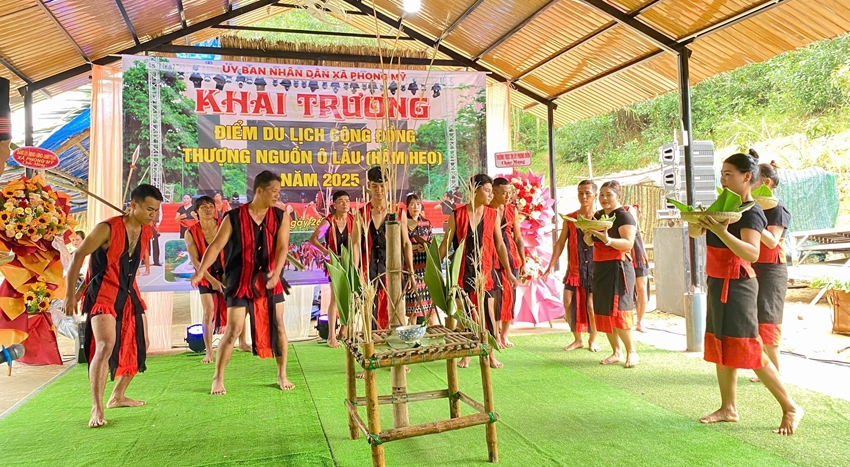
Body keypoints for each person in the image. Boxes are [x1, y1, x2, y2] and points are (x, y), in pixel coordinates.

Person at [690, 152, 801, 434]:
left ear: (747, 176)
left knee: (750, 348)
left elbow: (752, 253)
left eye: (729, 174)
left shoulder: (752, 212)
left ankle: (790, 407)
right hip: (717, 281)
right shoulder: (722, 206)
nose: (723, 179)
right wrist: (695, 220)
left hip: (739, 285)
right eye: (722, 174)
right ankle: (728, 408)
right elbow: (694, 234)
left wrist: (722, 232)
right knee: (721, 345)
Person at [63, 184, 163, 428]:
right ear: (133, 205)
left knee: (142, 343)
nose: (153, 215)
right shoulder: (106, 229)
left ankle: (117, 396)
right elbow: (78, 256)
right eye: (149, 209)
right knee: (106, 344)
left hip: (129, 293)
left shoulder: (146, 230)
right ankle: (96, 407)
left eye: (156, 210)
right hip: (103, 294)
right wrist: (70, 295)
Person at [191, 171, 294, 394]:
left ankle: (282, 374)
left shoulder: (281, 216)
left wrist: (277, 273)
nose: (277, 195)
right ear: (260, 190)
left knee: (279, 325)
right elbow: (216, 246)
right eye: (273, 191)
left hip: (270, 279)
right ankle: (218, 377)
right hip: (240, 281)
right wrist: (201, 272)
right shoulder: (234, 217)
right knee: (234, 329)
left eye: (278, 191)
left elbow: (282, 247)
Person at [439, 174, 517, 369]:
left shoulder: (492, 214)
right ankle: (467, 354)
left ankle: (490, 355)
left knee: (487, 316)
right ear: (475, 190)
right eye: (488, 191)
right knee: (466, 316)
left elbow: (500, 245)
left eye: (491, 191)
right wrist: (432, 268)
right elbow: (445, 244)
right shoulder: (457, 215)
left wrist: (509, 271)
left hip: (486, 273)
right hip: (461, 273)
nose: (491, 195)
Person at [352, 166, 415, 330]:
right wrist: (355, 271)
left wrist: (411, 272)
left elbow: (406, 243)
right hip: (369, 270)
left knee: (395, 310)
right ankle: (372, 342)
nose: (379, 190)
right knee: (370, 312)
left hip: (393, 269)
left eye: (382, 185)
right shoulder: (362, 213)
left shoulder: (398, 212)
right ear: (368, 186)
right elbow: (356, 244)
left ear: (388, 185)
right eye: (374, 186)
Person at [584, 180, 639, 368]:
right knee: (604, 311)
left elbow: (628, 243)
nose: (604, 198)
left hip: (619, 267)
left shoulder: (624, 216)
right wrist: (587, 232)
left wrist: (607, 239)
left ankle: (631, 351)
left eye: (609, 195)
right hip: (600, 267)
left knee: (619, 312)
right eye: (602, 195)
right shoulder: (598, 215)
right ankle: (616, 352)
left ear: (618, 196)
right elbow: (590, 242)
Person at [749, 151, 791, 384]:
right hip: (754, 266)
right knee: (756, 318)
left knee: (769, 319)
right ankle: (764, 367)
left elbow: (772, 241)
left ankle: (775, 371)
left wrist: (755, 221)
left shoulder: (777, 208)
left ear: (765, 183)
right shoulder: (754, 207)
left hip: (772, 269)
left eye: (752, 179)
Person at [544, 180, 599, 352]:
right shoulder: (570, 219)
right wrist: (550, 265)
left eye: (588, 193)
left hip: (595, 270)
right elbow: (560, 243)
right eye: (581, 193)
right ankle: (577, 339)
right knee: (567, 303)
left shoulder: (600, 219)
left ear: (595, 195)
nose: (584, 196)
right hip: (574, 269)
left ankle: (593, 340)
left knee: (591, 306)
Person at [309, 191, 354, 348]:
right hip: (334, 263)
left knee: (350, 297)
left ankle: (344, 329)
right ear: (334, 204)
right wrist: (326, 252)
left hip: (350, 263)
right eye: (340, 201)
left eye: (347, 200)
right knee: (335, 298)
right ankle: (331, 337)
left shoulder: (354, 220)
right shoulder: (329, 221)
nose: (344, 203)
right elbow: (313, 239)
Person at [185, 196, 227, 364]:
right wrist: (211, 280)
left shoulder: (224, 225)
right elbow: (195, 260)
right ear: (196, 211)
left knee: (236, 307)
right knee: (208, 311)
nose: (208, 209)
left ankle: (243, 342)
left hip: (226, 271)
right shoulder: (190, 232)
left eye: (210, 206)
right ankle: (209, 352)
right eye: (204, 207)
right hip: (205, 274)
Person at [490, 178, 525, 348]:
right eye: (504, 193)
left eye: (509, 193)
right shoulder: (487, 209)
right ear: (494, 192)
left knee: (510, 297)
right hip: (493, 257)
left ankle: (504, 335)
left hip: (512, 256)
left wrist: (523, 261)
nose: (507, 196)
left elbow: (518, 238)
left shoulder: (512, 210)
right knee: (496, 297)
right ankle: (495, 335)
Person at [404, 193, 435, 324]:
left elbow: (431, 241)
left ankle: (433, 332)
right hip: (411, 266)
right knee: (414, 305)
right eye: (412, 204)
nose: (415, 207)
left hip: (426, 267)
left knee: (430, 306)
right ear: (407, 207)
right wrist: (415, 247)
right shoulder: (404, 223)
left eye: (418, 204)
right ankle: (412, 332)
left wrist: (427, 246)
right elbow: (402, 246)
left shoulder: (427, 223)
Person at [624, 204, 649, 332]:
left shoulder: (630, 211)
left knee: (641, 288)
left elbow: (638, 238)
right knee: (626, 290)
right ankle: (628, 321)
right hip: (625, 256)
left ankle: (640, 322)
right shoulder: (622, 213)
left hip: (639, 256)